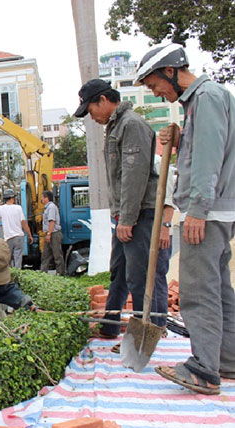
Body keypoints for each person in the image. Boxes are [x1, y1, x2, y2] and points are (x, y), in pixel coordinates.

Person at [134, 43, 235, 395]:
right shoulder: (206, 99)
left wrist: (196, 210)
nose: (156, 92)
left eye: (154, 85)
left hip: (206, 211)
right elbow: (210, 147)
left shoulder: (205, 98)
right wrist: (179, 139)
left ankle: (204, 370)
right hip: (220, 210)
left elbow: (209, 159)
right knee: (219, 289)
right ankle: (227, 361)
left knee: (198, 291)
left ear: (171, 71)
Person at [73, 78, 158, 342]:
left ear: (104, 100)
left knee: (139, 277)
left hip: (138, 214)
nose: (92, 116)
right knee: (119, 271)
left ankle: (144, 337)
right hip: (125, 214)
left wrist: (128, 219)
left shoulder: (131, 124)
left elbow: (134, 177)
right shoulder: (116, 126)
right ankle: (110, 326)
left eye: (91, 109)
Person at [152, 155, 176, 329]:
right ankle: (150, 321)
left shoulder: (159, 163)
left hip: (161, 231)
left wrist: (165, 229)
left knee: (157, 277)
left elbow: (169, 202)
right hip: (147, 231)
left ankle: (159, 325)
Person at [0, 189, 34, 269]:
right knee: (18, 258)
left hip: (8, 238)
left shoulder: (0, 209)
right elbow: (24, 223)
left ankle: (8, 276)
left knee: (8, 258)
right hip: (19, 237)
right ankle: (17, 275)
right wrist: (30, 235)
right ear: (12, 198)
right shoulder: (18, 208)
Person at [39, 191, 65, 275]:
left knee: (57, 255)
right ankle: (43, 274)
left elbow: (52, 221)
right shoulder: (47, 207)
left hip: (54, 234)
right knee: (45, 255)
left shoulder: (51, 207)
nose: (41, 199)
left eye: (42, 197)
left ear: (46, 198)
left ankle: (60, 274)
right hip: (49, 234)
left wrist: (49, 234)